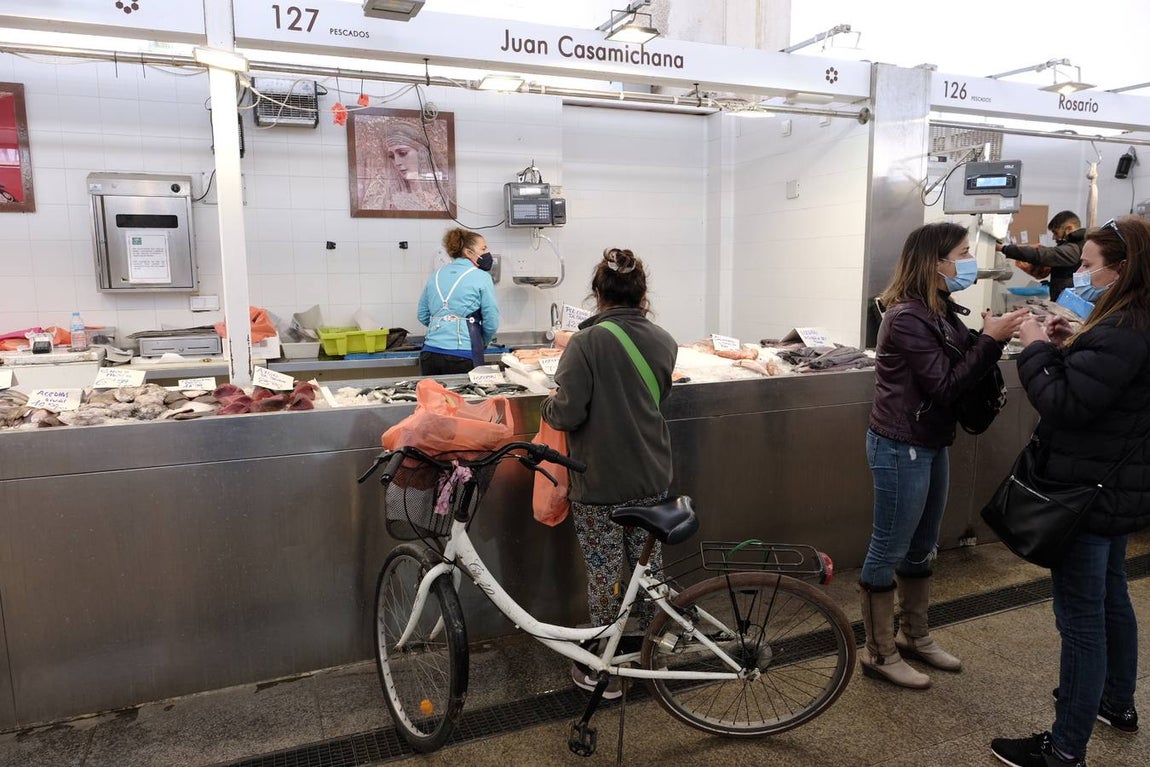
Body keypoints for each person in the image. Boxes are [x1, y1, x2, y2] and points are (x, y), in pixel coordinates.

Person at [991, 216, 1150, 767]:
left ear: (1122, 269)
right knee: (1111, 599)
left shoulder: (1126, 327)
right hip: (1117, 487)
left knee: (1080, 620)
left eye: (1088, 265)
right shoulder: (1129, 321)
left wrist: (1034, 346)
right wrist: (1068, 348)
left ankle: (1064, 749)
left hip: (1086, 492)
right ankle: (1116, 703)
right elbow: (1103, 390)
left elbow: (1066, 406)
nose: (1079, 274)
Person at [861, 222, 1028, 689]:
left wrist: (996, 333)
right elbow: (945, 384)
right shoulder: (907, 316)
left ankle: (915, 634)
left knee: (923, 544)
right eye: (963, 252)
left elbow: (957, 363)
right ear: (936, 262)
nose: (969, 260)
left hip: (931, 442)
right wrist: (990, 341)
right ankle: (879, 651)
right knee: (889, 547)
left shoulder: (940, 309)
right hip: (900, 444)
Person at [539, 248, 678, 698]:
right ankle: (657, 649)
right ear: (642, 294)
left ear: (598, 294)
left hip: (599, 483)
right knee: (648, 569)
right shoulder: (664, 339)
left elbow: (566, 413)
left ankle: (603, 667)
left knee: (605, 573)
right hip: (652, 477)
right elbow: (656, 400)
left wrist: (547, 401)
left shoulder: (585, 343)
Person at [416, 228, 499, 376]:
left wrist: (444, 326)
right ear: (468, 252)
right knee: (463, 399)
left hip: (430, 353)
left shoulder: (435, 275)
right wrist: (482, 342)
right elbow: (491, 320)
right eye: (483, 248)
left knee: (434, 398)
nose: (487, 253)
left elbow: (422, 315)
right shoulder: (482, 277)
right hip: (463, 354)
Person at [997, 210, 1085, 300]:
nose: (1054, 237)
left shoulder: (1074, 249)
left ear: (1069, 228)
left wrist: (1002, 248)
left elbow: (1041, 255)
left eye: (1055, 232)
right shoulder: (1076, 247)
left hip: (1068, 302)